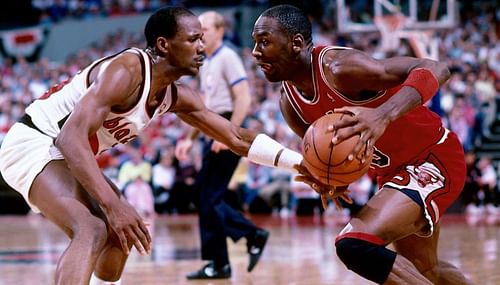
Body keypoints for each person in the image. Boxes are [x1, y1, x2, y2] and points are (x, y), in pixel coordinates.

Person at [0, 6, 320, 285]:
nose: (202, 47)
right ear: (164, 45)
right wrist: (114, 205)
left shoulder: (175, 95)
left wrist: (301, 164)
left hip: (63, 154)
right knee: (92, 228)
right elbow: (69, 138)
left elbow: (237, 137)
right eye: (193, 39)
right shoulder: (126, 71)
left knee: (118, 234)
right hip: (34, 142)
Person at [251, 5, 472, 285]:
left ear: (295, 43)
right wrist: (328, 179)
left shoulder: (340, 68)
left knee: (354, 244)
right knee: (425, 271)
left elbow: (436, 68)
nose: (255, 52)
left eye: (264, 42)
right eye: (255, 43)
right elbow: (332, 155)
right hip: (392, 174)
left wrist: (383, 115)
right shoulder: (290, 103)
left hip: (433, 158)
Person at [175, 11, 269, 279]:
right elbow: (203, 108)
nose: (201, 33)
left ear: (220, 30)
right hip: (213, 126)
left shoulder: (228, 56)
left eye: (205, 28)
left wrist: (227, 135)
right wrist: (188, 140)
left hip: (226, 127)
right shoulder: (208, 61)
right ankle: (250, 236)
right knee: (203, 196)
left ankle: (221, 261)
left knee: (208, 197)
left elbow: (243, 99)